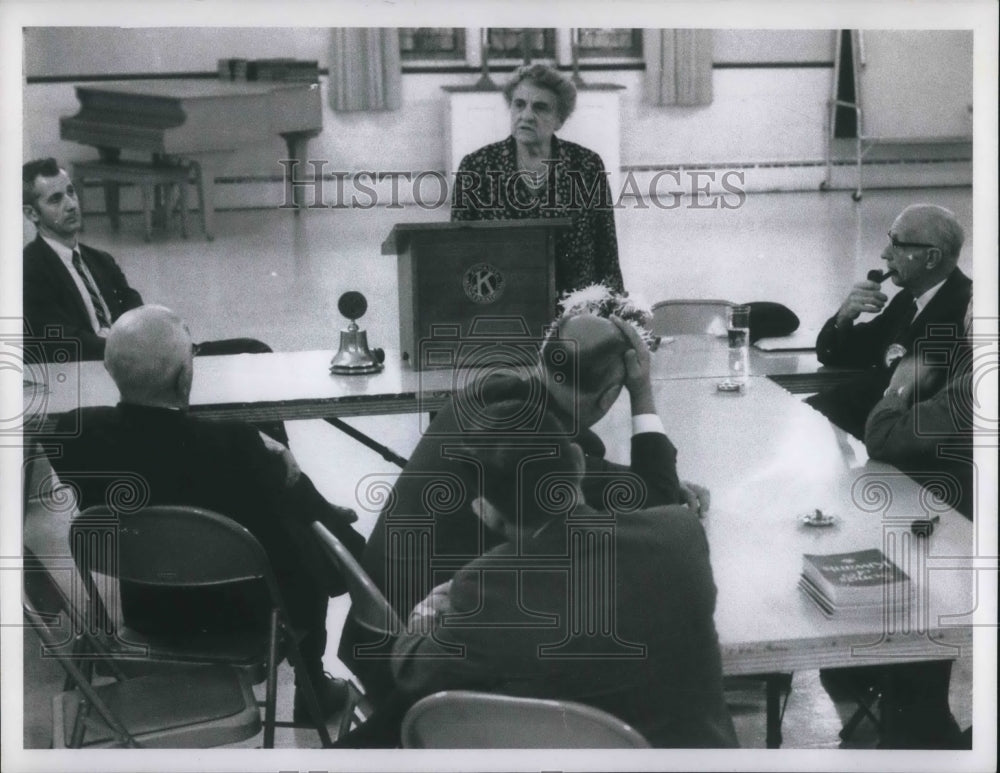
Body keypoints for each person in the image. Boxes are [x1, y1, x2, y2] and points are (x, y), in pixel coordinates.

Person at [339, 311, 709, 700]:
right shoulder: (544, 453)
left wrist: (629, 476)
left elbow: (603, 470)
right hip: (424, 673)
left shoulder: (497, 394)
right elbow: (656, 501)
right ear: (609, 396)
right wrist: (643, 391)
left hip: (378, 629)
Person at [49, 305, 366, 719]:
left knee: (289, 519)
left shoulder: (77, 434)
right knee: (303, 533)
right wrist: (265, 445)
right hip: (250, 622)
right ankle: (314, 682)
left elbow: (156, 441)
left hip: (151, 615)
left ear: (110, 370)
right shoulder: (232, 445)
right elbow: (304, 532)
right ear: (186, 375)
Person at [388, 402, 738, 748]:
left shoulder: (486, 589)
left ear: (486, 511)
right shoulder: (680, 532)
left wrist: (433, 604)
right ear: (577, 460)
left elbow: (410, 669)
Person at [23, 157, 272, 363]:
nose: (70, 205)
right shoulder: (30, 269)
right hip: (102, 367)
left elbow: (134, 307)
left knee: (254, 351)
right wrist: (129, 349)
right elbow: (64, 341)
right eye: (55, 199)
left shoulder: (99, 260)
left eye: (70, 192)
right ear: (32, 213)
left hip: (142, 360)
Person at [451, 63, 623, 295]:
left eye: (540, 108)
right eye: (519, 104)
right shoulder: (476, 167)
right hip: (502, 305)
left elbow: (607, 253)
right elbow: (457, 254)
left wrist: (613, 313)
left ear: (559, 120)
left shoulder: (586, 165)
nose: (526, 116)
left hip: (575, 312)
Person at [806, 204, 972, 439]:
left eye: (897, 244)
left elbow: (890, 392)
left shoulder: (960, 311)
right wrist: (844, 316)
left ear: (932, 257)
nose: (885, 253)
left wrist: (811, 411)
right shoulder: (908, 299)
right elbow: (839, 354)